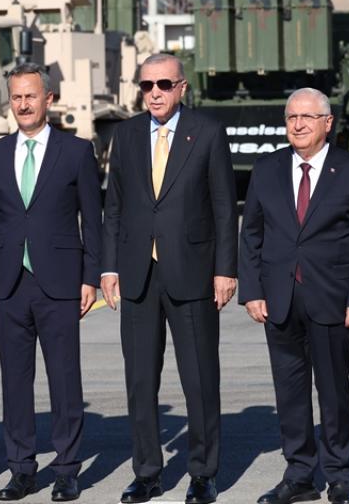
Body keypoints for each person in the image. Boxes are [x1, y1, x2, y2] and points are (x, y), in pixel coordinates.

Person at [101, 52, 238, 504]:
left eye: (163, 84)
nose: (155, 93)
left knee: (199, 379)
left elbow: (224, 206)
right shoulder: (126, 134)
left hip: (193, 272)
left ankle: (203, 473)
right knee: (141, 381)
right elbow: (114, 206)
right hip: (138, 274)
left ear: (182, 87)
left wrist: (225, 270)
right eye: (147, 85)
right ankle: (147, 472)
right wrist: (109, 266)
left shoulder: (208, 132)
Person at [239, 88, 349, 504]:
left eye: (307, 117)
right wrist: (252, 291)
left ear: (327, 123)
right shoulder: (267, 169)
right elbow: (251, 235)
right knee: (290, 392)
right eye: (291, 117)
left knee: (333, 392)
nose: (298, 125)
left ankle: (339, 476)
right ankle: (299, 474)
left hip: (332, 300)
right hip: (279, 300)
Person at [0, 63, 102, 503]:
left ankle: (67, 469)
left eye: (30, 96)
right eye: (16, 97)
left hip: (61, 282)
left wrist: (91, 276)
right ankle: (21, 469)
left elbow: (93, 219)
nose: (23, 104)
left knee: (64, 379)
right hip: (8, 283)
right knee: (15, 382)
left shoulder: (76, 151)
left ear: (49, 99)